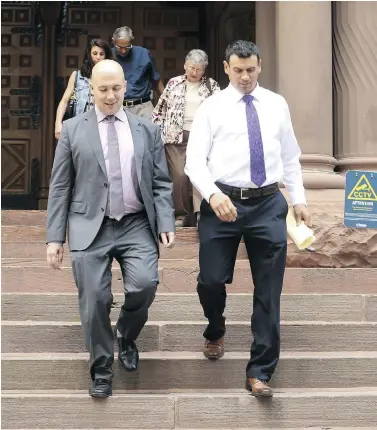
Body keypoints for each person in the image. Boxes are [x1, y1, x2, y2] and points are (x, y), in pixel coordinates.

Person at [184, 40, 312, 397]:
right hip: (221, 201)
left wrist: (298, 199)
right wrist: (212, 194)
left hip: (269, 203)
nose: (244, 76)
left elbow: (291, 156)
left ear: (260, 66)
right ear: (225, 68)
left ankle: (260, 372)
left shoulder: (276, 104)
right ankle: (215, 327)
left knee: (269, 291)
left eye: (251, 70)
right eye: (237, 70)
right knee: (210, 280)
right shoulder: (211, 107)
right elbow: (194, 161)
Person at [46, 59, 175, 398]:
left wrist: (165, 221)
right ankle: (102, 369)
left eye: (116, 88)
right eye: (103, 89)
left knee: (144, 285)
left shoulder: (146, 129)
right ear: (92, 89)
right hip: (90, 224)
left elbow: (161, 182)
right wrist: (54, 237)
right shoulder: (74, 129)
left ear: (125, 86)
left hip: (135, 223)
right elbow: (60, 187)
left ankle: (127, 335)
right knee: (95, 299)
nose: (110, 95)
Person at [152, 49, 220, 227]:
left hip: (202, 136)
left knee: (201, 173)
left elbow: (221, 112)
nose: (194, 72)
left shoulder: (212, 87)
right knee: (180, 175)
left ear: (204, 69)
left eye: (198, 69)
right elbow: (159, 110)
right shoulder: (174, 83)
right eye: (191, 68)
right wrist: (158, 133)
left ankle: (201, 214)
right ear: (185, 65)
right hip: (176, 136)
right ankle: (181, 214)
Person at [54, 38, 113, 140]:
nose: (98, 57)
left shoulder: (111, 76)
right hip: (80, 126)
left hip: (104, 127)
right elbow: (64, 102)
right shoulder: (77, 76)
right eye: (94, 53)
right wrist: (58, 124)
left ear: (106, 56)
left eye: (101, 54)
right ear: (89, 54)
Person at [112, 26, 164, 120]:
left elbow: (155, 80)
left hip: (143, 106)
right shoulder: (109, 56)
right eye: (120, 47)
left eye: (127, 47)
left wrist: (167, 103)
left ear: (132, 40)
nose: (123, 51)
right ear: (113, 41)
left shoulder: (144, 53)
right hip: (117, 107)